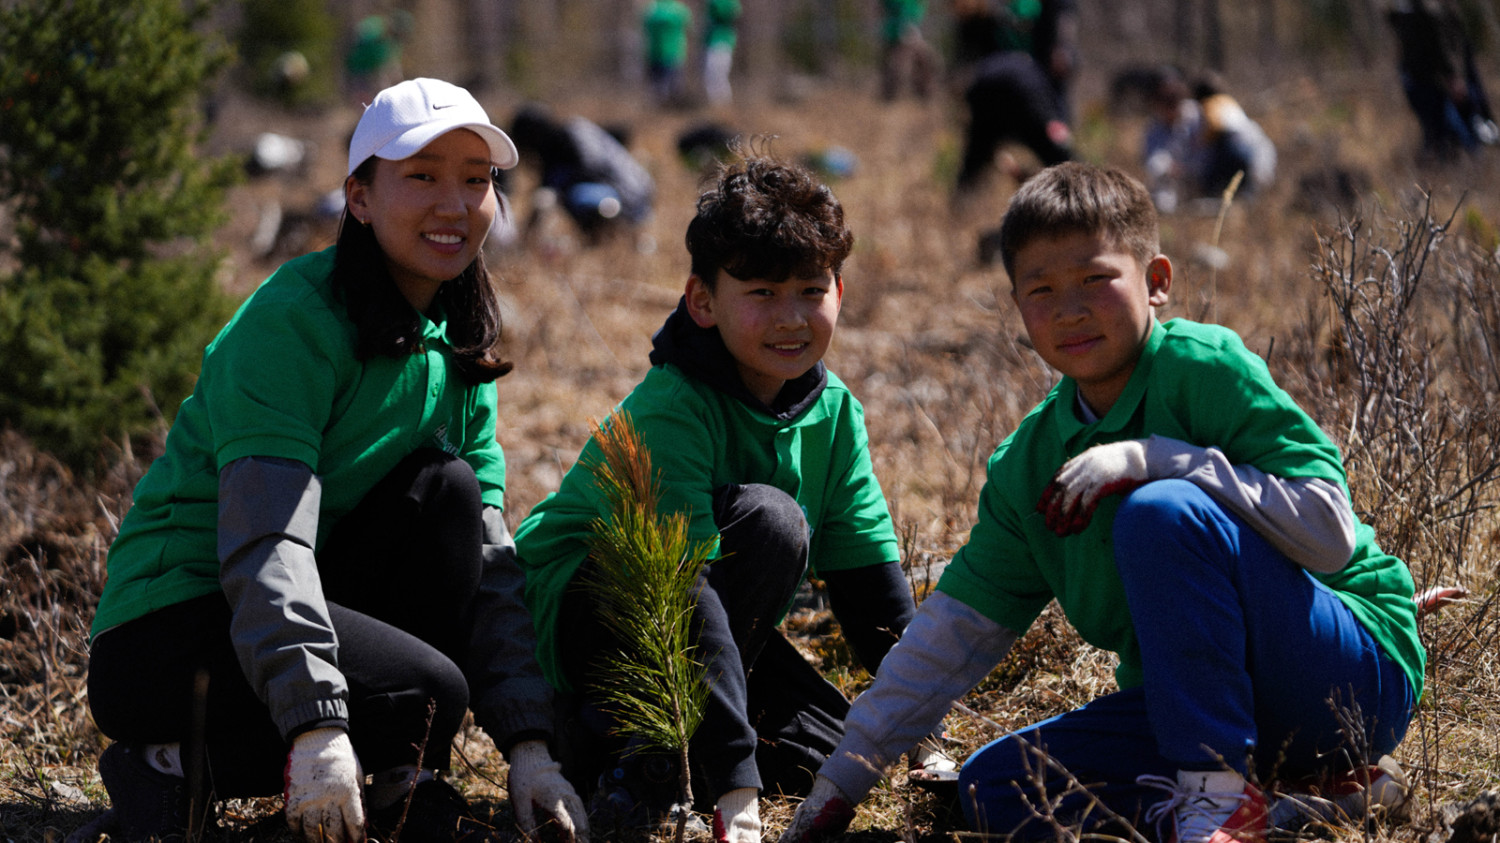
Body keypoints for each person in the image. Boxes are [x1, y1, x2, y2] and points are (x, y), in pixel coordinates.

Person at [781, 162, 1425, 843]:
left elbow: (1330, 535)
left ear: (1157, 281)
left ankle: (1218, 801)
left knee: (1162, 511)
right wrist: (841, 778)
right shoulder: (1031, 464)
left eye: (1095, 279)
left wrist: (1163, 459)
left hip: (1347, 678)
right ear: (1018, 306)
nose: (1070, 309)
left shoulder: (1204, 368)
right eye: (1042, 289)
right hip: (1202, 709)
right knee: (992, 788)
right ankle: (1299, 800)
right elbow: (952, 635)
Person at [85, 78, 587, 843]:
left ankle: (398, 777)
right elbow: (265, 542)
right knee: (426, 695)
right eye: (421, 176)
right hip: (172, 627)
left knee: (446, 489)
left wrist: (530, 744)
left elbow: (487, 558)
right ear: (358, 197)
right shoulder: (295, 321)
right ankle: (167, 765)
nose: (455, 204)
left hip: (281, 603)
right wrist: (316, 720)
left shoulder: (455, 336)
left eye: (476, 180)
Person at [514, 149, 945, 843]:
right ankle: (626, 750)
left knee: (818, 752)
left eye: (813, 289)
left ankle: (647, 750)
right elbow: (682, 590)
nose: (792, 317)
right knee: (772, 522)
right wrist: (737, 785)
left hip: (712, 624)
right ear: (702, 301)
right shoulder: (674, 405)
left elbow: (873, 588)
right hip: (586, 623)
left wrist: (927, 735)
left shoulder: (835, 412)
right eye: (763, 293)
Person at [507, 104, 656, 245]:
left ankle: (608, 237)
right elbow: (543, 194)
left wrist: (559, 188)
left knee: (577, 195)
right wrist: (526, 235)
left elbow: (594, 166)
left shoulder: (575, 132)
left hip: (628, 193)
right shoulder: (552, 157)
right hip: (616, 193)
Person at [1143, 67, 1276, 214]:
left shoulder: (1201, 113)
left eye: (1175, 96)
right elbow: (1153, 163)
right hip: (1178, 184)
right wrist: (1171, 168)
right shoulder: (1153, 130)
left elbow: (1241, 140)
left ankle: (1240, 198)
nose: (1172, 104)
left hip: (1211, 173)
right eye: (1165, 99)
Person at [1388, 0, 1498, 162]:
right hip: (1425, 82)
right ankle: (1462, 162)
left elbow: (1446, 49)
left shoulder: (1437, 14)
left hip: (1439, 81)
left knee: (1459, 126)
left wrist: (1453, 77)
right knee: (1443, 130)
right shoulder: (1414, 15)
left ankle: (1473, 160)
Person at [880, 0, 938, 101]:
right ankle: (889, 96)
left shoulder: (915, 4)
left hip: (913, 35)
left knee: (927, 61)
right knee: (896, 68)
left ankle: (924, 94)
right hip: (894, 36)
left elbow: (919, 10)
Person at [643, 0, 693, 108]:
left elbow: (687, 22)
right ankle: (661, 110)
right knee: (659, 86)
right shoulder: (675, 8)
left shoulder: (654, 8)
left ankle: (672, 109)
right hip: (659, 53)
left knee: (672, 86)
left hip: (672, 53)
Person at [703, 0, 742, 107]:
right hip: (715, 41)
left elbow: (730, 13)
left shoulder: (727, 3)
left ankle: (722, 106)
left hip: (721, 42)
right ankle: (717, 105)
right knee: (712, 76)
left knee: (718, 75)